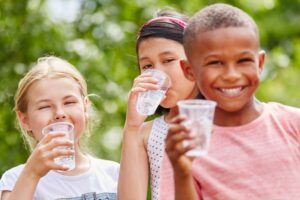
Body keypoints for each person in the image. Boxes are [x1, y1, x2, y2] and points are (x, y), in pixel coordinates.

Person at [164, 3, 300, 200]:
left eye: (243, 60)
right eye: (215, 63)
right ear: (189, 70)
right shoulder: (185, 145)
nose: (231, 75)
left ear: (260, 63)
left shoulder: (293, 124)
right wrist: (182, 174)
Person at [0, 56, 119, 200]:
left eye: (69, 102)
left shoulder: (114, 174)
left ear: (85, 107)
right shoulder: (15, 180)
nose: (60, 114)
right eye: (44, 106)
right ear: (25, 120)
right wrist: (31, 174)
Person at [117, 9, 201, 200]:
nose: (158, 73)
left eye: (168, 60)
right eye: (147, 66)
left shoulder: (225, 119)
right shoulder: (145, 134)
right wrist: (131, 126)